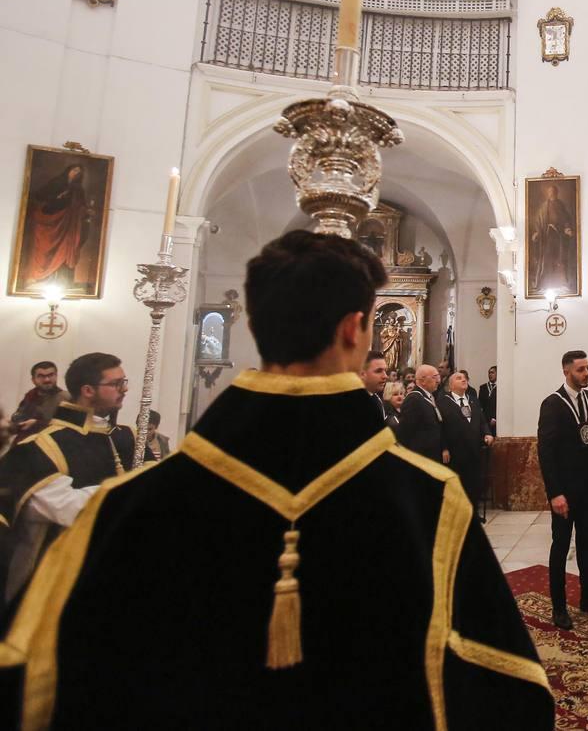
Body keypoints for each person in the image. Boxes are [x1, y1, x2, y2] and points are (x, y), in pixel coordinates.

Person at [0, 229, 554, 727]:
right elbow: (506, 689)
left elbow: (45, 684)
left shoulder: (125, 506)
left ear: (256, 325)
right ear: (356, 329)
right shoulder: (430, 504)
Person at [0, 352, 152, 603]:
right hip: (57, 585)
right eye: (116, 384)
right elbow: (69, 509)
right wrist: (135, 488)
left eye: (124, 382)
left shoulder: (129, 438)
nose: (124, 390)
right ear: (88, 390)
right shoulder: (39, 447)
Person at [537, 349, 588, 629]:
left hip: (587, 486)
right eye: (580, 370)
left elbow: (586, 436)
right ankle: (559, 608)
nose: (586, 374)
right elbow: (546, 452)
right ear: (566, 371)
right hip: (564, 492)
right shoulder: (553, 404)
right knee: (561, 547)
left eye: (587, 369)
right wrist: (554, 493)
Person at [441, 371, 494, 511]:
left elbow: (482, 420)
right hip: (456, 452)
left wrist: (487, 433)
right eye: (459, 378)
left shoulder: (472, 399)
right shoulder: (444, 402)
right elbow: (440, 427)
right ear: (451, 385)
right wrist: (444, 447)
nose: (463, 380)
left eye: (464, 378)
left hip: (474, 450)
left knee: (474, 485)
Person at [397, 364, 446, 462]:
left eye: (438, 376)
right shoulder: (413, 399)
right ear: (422, 381)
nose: (438, 381)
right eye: (434, 377)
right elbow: (405, 432)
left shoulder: (428, 397)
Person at [8, 362, 65, 442]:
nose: (47, 380)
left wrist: (36, 424)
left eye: (50, 375)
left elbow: (66, 427)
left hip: (49, 447)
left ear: (56, 376)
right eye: (41, 376)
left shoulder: (65, 398)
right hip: (24, 443)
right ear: (33, 380)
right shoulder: (31, 395)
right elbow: (20, 416)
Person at [359, 350, 389, 422]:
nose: (385, 376)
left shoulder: (377, 400)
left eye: (385, 371)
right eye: (378, 371)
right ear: (362, 374)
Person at [479, 365, 498, 434]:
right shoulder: (483, 387)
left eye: (492, 372)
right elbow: (480, 404)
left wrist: (495, 417)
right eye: (489, 373)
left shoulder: (501, 387)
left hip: (496, 419)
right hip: (485, 419)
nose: (490, 374)